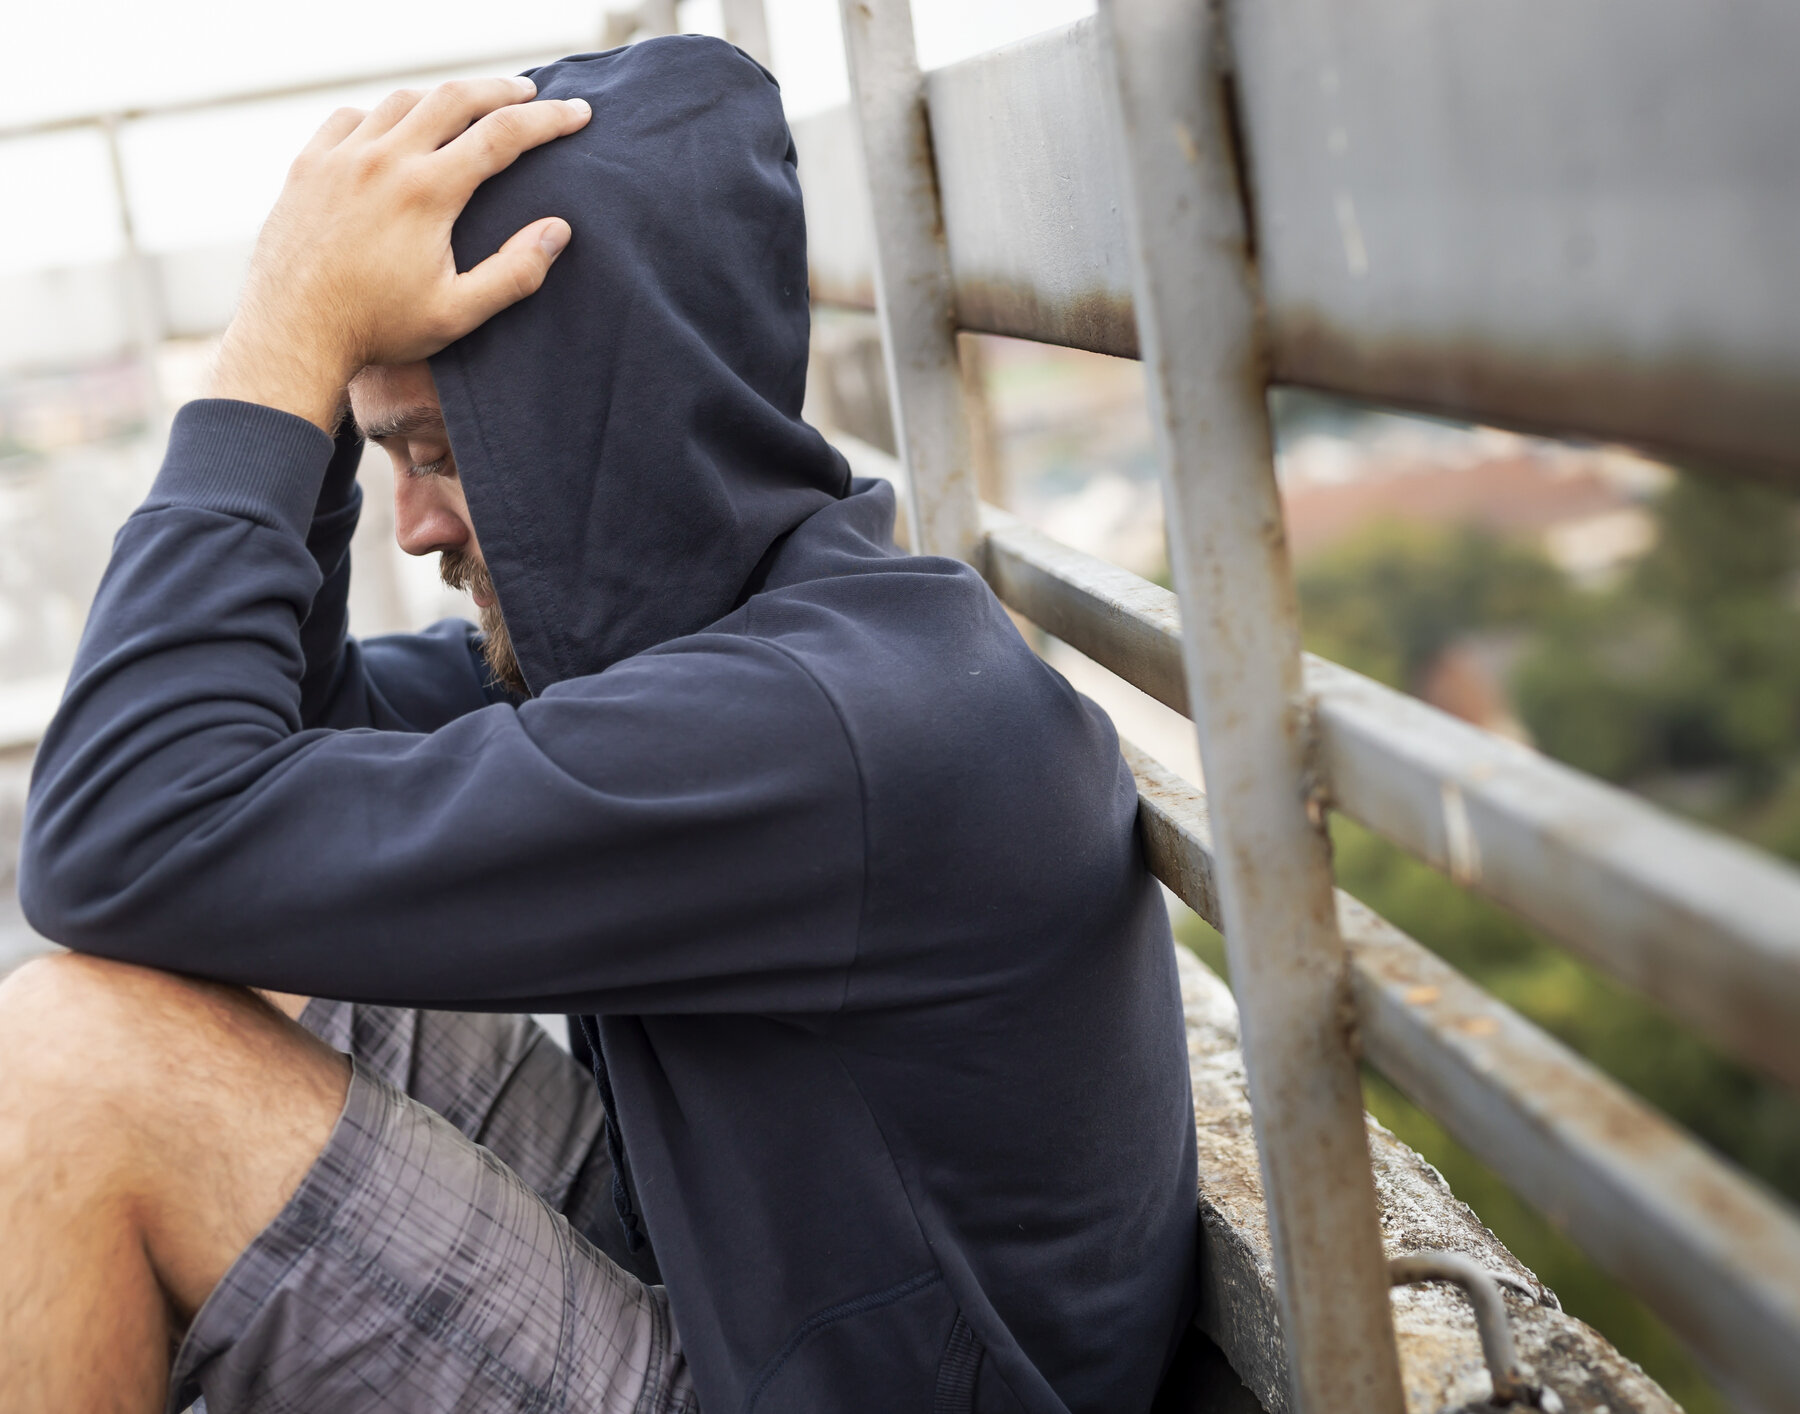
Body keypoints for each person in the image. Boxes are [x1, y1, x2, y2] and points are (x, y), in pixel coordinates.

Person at [1, 36, 1196, 1414]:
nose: (416, 527)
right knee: (215, 962)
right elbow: (253, 785)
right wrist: (313, 382)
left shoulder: (818, 729)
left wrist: (284, 334)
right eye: (380, 450)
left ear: (607, 425)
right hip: (729, 1276)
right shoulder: (745, 642)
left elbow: (123, 832)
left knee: (73, 1071)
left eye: (444, 456)